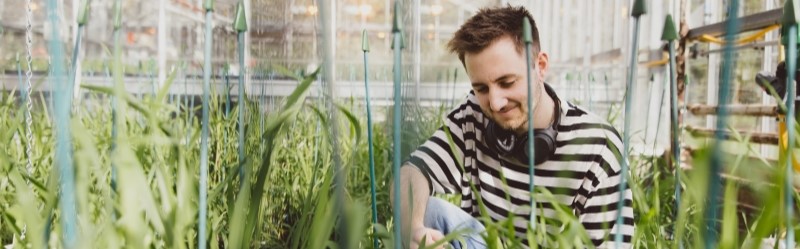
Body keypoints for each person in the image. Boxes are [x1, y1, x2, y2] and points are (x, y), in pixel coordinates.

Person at [391, 5, 634, 249]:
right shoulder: (472, 116)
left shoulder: (598, 146)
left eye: (506, 82)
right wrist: (412, 228)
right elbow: (411, 174)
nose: (495, 103)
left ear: (540, 66)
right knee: (428, 211)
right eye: (482, 89)